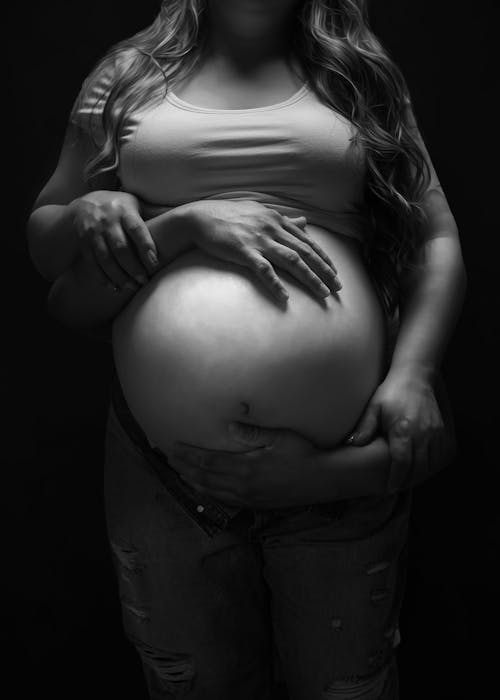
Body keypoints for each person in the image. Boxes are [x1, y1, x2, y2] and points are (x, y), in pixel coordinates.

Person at [27, 1, 466, 698]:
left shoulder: (356, 73)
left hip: (341, 465)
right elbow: (51, 248)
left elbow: (434, 238)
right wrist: (86, 212)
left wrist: (413, 374)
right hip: (165, 472)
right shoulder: (129, 74)